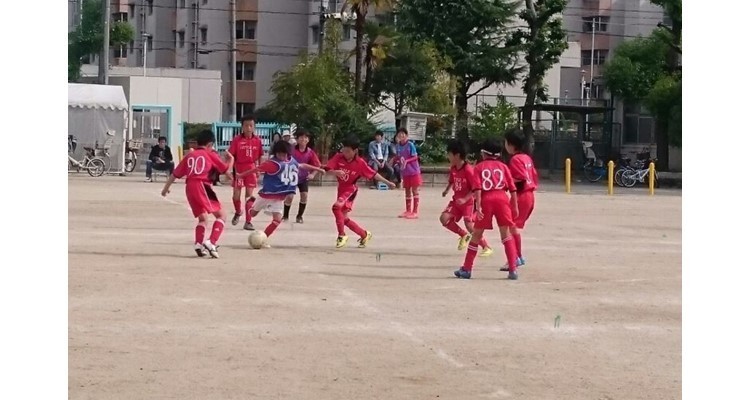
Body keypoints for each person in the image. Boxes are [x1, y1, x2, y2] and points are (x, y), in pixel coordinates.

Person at [160, 130, 234, 258]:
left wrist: (165, 189)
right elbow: (227, 173)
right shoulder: (210, 154)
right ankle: (211, 242)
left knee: (203, 218)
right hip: (202, 186)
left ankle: (199, 244)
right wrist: (231, 159)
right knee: (222, 216)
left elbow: (175, 174)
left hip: (189, 188)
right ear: (210, 144)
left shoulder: (190, 155)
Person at [237, 141, 325, 247]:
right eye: (279, 154)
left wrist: (317, 169)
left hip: (279, 197)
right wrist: (241, 175)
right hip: (266, 195)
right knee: (252, 214)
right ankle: (250, 202)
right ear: (275, 153)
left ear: (288, 153)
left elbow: (302, 165)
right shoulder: (271, 164)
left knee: (277, 220)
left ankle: (263, 239)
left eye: (284, 154)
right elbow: (255, 169)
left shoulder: (292, 161)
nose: (282, 156)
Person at [454, 138, 519, 280]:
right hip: (502, 199)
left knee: (476, 234)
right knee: (506, 234)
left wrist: (478, 207)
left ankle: (467, 268)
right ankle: (513, 269)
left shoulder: (479, 167)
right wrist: (514, 206)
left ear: (483, 153)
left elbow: (477, 188)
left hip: (487, 199)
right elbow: (513, 189)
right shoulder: (504, 167)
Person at [323, 136, 396, 248]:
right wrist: (335, 172)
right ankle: (364, 234)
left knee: (336, 207)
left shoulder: (360, 163)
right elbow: (327, 170)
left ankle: (341, 235)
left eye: (348, 151)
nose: (345, 153)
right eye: (344, 150)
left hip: (350, 190)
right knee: (344, 218)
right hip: (341, 189)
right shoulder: (339, 157)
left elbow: (373, 174)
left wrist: (388, 182)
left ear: (355, 151)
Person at [440, 140, 494, 257]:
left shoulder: (468, 170)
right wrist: (446, 190)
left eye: (449, 154)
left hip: (468, 202)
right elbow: (451, 181)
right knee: (444, 218)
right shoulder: (454, 168)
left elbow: (475, 188)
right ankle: (463, 235)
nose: (447, 157)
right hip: (456, 201)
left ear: (457, 155)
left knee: (469, 225)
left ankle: (486, 246)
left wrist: (465, 199)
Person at [499, 128, 539, 271]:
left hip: (521, 196)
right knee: (512, 226)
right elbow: (533, 176)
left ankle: (515, 257)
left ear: (510, 144)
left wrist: (505, 183)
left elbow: (520, 179)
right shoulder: (527, 158)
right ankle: (518, 256)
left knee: (510, 227)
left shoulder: (515, 159)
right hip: (530, 195)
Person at [228, 114, 264, 230]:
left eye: (251, 125)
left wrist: (259, 168)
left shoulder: (258, 140)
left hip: (251, 169)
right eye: (246, 125)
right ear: (242, 127)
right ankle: (238, 211)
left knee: (249, 196)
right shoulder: (237, 140)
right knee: (236, 195)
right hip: (239, 169)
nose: (249, 128)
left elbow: (260, 156)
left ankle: (248, 222)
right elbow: (231, 155)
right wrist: (229, 169)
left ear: (254, 127)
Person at [283, 128, 321, 223]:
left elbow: (317, 165)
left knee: (304, 195)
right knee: (290, 196)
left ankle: (299, 216)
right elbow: (283, 159)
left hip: (303, 178)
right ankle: (285, 216)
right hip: (292, 177)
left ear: (308, 140)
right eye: (301, 137)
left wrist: (312, 174)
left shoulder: (310, 152)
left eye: (305, 138)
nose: (303, 139)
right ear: (297, 139)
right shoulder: (291, 149)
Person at [393, 128, 423, 218]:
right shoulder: (398, 146)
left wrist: (407, 161)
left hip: (413, 171)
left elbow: (415, 157)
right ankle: (408, 210)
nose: (401, 136)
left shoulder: (410, 145)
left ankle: (415, 212)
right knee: (407, 191)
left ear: (406, 135)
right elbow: (399, 157)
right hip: (405, 171)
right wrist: (396, 160)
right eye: (399, 134)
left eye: (403, 134)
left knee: (414, 190)